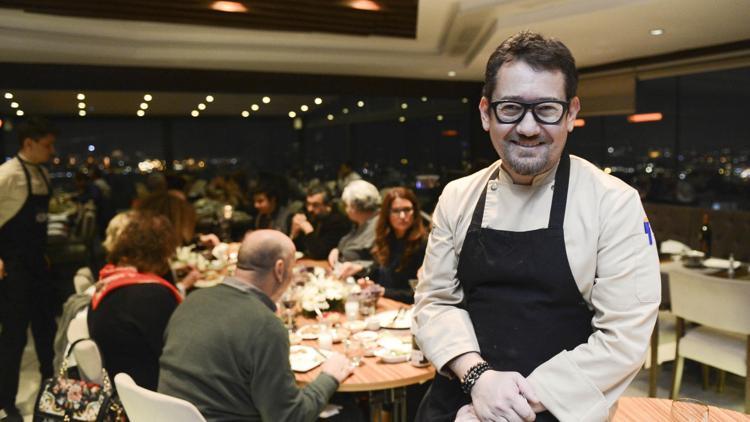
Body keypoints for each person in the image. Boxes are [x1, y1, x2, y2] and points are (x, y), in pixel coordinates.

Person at [413, 31, 660, 422]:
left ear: (572, 113)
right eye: (510, 108)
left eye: (546, 109)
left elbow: (624, 338)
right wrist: (478, 380)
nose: (528, 128)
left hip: (557, 407)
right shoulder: (457, 196)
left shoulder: (613, 202)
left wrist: (507, 405)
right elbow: (436, 301)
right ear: (485, 112)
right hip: (459, 397)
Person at [158, 230, 354, 421]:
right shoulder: (265, 326)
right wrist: (329, 376)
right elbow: (290, 416)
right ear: (280, 269)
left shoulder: (193, 300)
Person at [0, 117, 58, 422]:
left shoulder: (43, 174)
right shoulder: (7, 174)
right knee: (14, 337)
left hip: (38, 265)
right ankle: (6, 402)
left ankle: (52, 395)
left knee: (47, 332)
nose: (51, 150)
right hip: (14, 268)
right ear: (28, 144)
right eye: (47, 145)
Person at [87, 212, 183, 390]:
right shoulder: (153, 295)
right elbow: (180, 354)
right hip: (154, 397)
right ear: (161, 251)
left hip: (122, 391)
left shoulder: (107, 282)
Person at [367, 187, 427, 304]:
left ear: (415, 211)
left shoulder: (423, 244)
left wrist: (383, 291)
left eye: (407, 209)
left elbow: (419, 293)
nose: (403, 216)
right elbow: (377, 273)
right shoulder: (385, 238)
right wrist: (367, 282)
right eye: (396, 211)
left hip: (407, 310)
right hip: (384, 304)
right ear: (387, 214)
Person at [327, 180, 380, 279]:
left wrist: (360, 266)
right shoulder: (360, 222)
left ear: (354, 207)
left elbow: (379, 264)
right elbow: (347, 243)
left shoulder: (378, 225)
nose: (345, 210)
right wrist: (337, 250)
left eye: (346, 206)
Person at [290, 184, 351, 260]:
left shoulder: (338, 222)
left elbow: (319, 254)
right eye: (308, 204)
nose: (310, 209)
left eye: (315, 205)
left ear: (328, 205)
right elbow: (297, 249)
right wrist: (294, 233)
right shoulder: (309, 215)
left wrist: (308, 230)